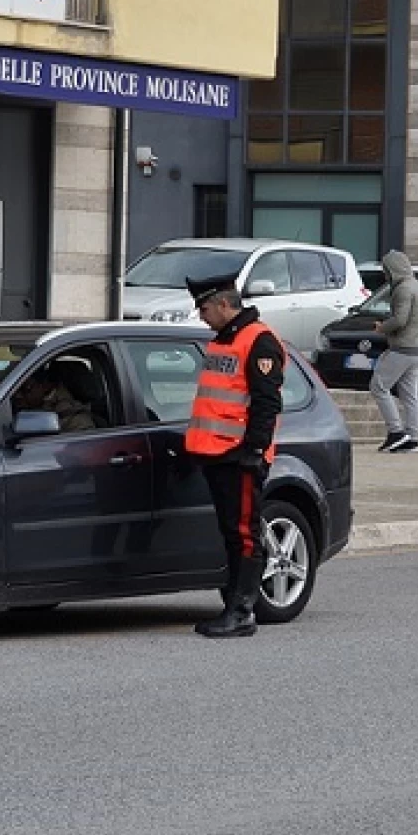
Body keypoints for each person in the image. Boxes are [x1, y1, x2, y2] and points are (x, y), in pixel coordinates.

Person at [184, 272, 287, 638]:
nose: (201, 314)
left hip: (240, 456)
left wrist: (255, 451)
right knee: (232, 531)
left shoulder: (258, 341)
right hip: (216, 453)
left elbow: (266, 403)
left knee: (244, 533)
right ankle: (234, 604)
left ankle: (242, 612)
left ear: (226, 304)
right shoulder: (222, 341)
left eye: (205, 307)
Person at [370, 250, 418, 453]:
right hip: (417, 350)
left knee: (378, 387)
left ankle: (396, 432)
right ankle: (412, 438)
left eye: (386, 270)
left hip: (402, 348)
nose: (385, 275)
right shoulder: (417, 286)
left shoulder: (402, 289)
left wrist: (381, 328)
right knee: (410, 394)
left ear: (392, 269)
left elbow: (400, 320)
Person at [12, 366, 96, 433]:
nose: (17, 396)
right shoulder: (37, 405)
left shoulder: (76, 418)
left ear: (45, 386)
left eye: (25, 389)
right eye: (15, 390)